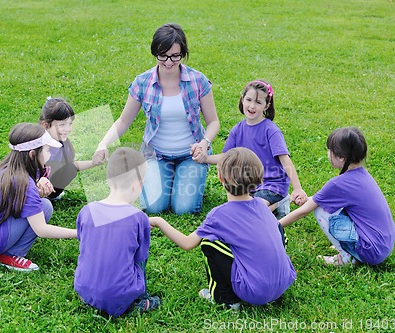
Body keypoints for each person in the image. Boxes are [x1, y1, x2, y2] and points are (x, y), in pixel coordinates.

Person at [92, 23, 220, 215]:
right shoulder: (143, 82)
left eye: (175, 56)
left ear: (183, 53)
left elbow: (213, 122)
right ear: (155, 53)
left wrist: (204, 142)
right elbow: (124, 121)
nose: (169, 62)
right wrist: (103, 143)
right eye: (163, 56)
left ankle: (183, 177)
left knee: (183, 209)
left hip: (192, 155)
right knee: (154, 207)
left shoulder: (197, 80)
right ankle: (168, 178)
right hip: (156, 155)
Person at [150, 148, 296, 309]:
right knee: (277, 228)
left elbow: (187, 243)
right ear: (258, 179)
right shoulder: (262, 205)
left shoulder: (218, 215)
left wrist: (159, 221)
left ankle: (225, 298)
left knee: (209, 244)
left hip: (255, 292)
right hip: (284, 282)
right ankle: (271, 277)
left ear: (220, 177)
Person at [0, 123, 78, 272]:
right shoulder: (24, 182)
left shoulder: (11, 168)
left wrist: (37, 188)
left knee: (41, 204)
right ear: (32, 154)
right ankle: (11, 255)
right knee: (45, 207)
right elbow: (41, 229)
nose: (49, 155)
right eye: (47, 150)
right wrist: (78, 233)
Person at [280, 127, 395, 266]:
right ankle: (350, 246)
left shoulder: (339, 184)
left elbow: (305, 210)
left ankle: (346, 258)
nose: (328, 154)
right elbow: (320, 199)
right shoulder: (362, 175)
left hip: (370, 251)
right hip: (383, 246)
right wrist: (308, 200)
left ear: (342, 157)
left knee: (320, 210)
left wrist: (275, 226)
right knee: (322, 204)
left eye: (330, 150)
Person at [198, 80, 306, 219]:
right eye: (248, 100)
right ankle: (270, 207)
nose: (252, 106)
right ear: (242, 99)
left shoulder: (271, 130)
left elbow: (285, 161)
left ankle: (281, 201)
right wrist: (205, 158)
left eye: (258, 102)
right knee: (240, 209)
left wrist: (297, 188)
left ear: (266, 106)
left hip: (272, 185)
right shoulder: (238, 129)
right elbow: (226, 156)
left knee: (252, 210)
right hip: (249, 184)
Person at [74, 147, 161, 317]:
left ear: (108, 180)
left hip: (84, 289)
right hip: (119, 295)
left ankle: (91, 298)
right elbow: (140, 257)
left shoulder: (87, 210)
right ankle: (140, 301)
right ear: (138, 184)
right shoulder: (138, 218)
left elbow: (83, 240)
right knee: (138, 263)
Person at [39, 97, 96, 199]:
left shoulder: (64, 144)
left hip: (48, 188)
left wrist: (94, 162)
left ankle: (48, 197)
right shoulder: (36, 147)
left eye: (70, 124)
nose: (68, 129)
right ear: (45, 125)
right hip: (30, 188)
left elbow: (73, 165)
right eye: (62, 125)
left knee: (70, 169)